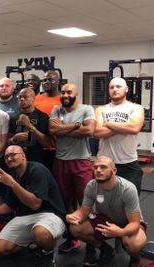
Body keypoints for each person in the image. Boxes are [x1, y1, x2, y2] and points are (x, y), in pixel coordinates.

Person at [0, 145, 66, 267]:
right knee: (2, 247)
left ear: (23, 156)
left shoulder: (37, 170)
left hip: (49, 214)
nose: (9, 158)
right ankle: (33, 239)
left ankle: (47, 252)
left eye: (13, 154)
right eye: (6, 157)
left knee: (41, 234)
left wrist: (12, 184)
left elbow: (35, 204)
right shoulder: (13, 175)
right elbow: (10, 205)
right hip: (25, 217)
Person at [67, 156, 147, 267]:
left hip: (127, 223)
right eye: (95, 167)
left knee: (133, 244)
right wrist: (73, 216)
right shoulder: (91, 186)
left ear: (114, 171)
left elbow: (135, 223)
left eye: (103, 167)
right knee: (75, 228)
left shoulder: (128, 189)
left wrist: (121, 232)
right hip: (106, 220)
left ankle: (135, 260)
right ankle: (105, 250)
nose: (98, 170)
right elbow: (84, 211)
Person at [49, 83, 96, 253]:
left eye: (69, 92)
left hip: (80, 161)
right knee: (65, 202)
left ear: (77, 94)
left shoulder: (86, 109)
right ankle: (72, 237)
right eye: (63, 92)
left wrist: (62, 129)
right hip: (60, 161)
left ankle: (91, 244)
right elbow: (52, 130)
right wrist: (76, 126)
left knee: (86, 202)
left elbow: (89, 131)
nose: (65, 95)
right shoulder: (56, 109)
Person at [93, 77, 144, 194]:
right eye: (111, 87)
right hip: (104, 163)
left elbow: (134, 128)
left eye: (118, 86)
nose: (115, 89)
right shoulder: (101, 109)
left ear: (126, 89)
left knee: (130, 199)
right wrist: (124, 127)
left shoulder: (136, 108)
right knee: (103, 199)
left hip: (128, 162)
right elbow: (97, 133)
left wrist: (108, 123)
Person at [9, 87, 50, 162]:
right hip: (17, 160)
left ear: (33, 99)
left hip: (36, 159)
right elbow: (8, 142)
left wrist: (30, 126)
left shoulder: (42, 116)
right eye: (20, 97)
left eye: (25, 97)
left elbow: (47, 143)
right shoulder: (13, 118)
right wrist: (15, 138)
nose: (21, 99)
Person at [33, 70, 62, 171]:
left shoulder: (64, 100)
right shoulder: (36, 100)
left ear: (58, 81)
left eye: (50, 80)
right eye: (44, 80)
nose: (46, 82)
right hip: (38, 147)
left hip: (58, 149)